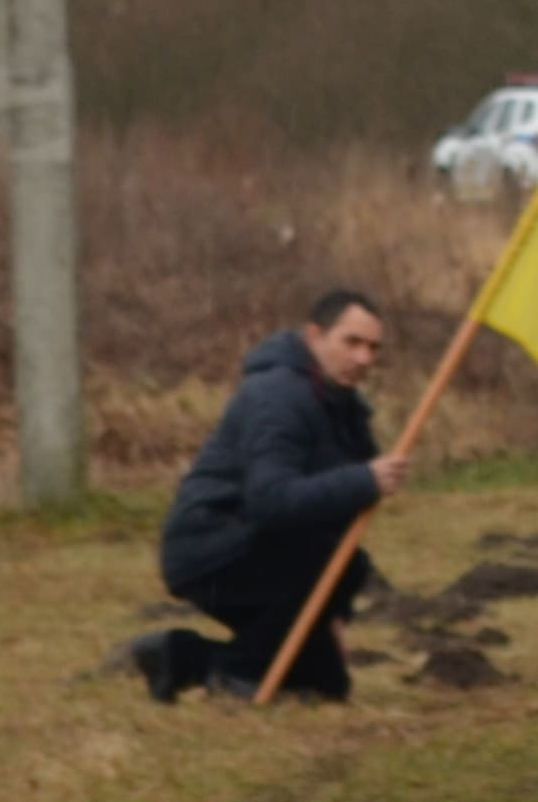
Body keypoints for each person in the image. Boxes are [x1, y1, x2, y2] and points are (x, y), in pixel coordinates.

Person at [128, 285, 414, 702]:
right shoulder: (277, 397)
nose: (363, 359)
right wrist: (364, 481)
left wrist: (331, 614)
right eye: (351, 343)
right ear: (315, 336)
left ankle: (179, 656)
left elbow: (332, 521)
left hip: (270, 552)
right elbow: (270, 500)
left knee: (327, 685)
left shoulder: (347, 412)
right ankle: (235, 677)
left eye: (373, 348)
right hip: (212, 551)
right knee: (342, 564)